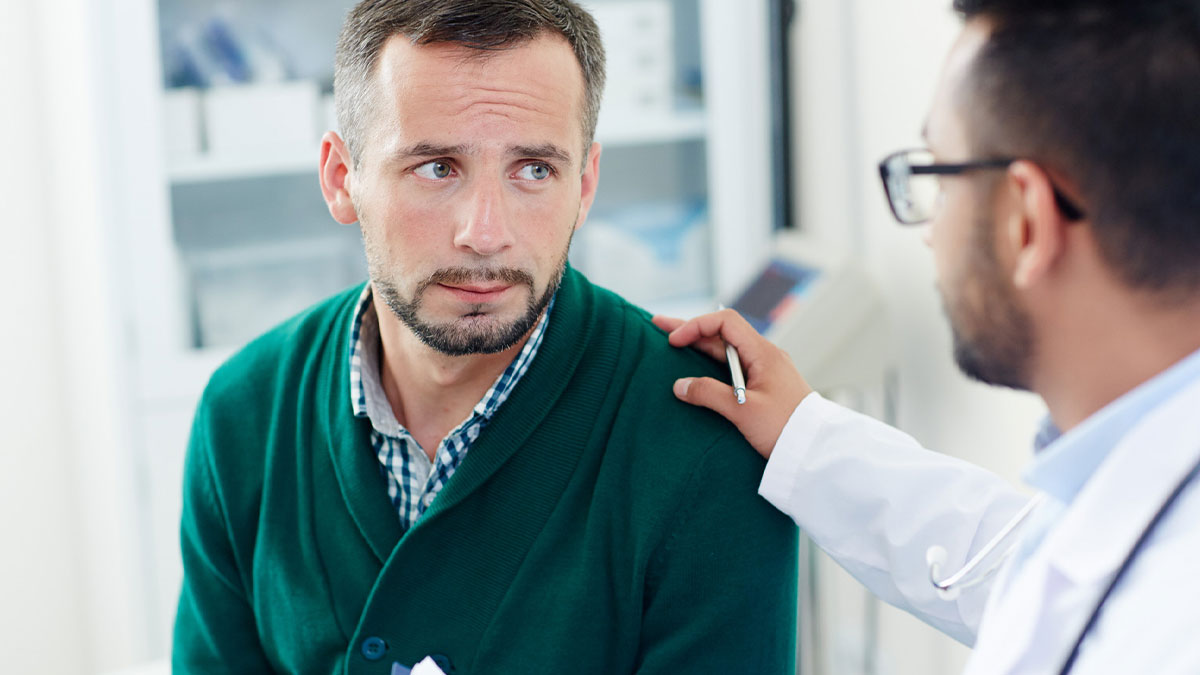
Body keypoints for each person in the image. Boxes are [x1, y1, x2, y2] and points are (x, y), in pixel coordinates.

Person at [171, 1, 798, 673]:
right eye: (437, 167)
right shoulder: (245, 414)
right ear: (340, 177)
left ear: (584, 186)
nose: (485, 231)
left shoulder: (704, 449)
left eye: (533, 169)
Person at [655, 0, 1200, 673]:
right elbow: (1010, 561)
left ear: (1024, 220)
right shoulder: (1138, 485)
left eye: (936, 175)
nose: (930, 230)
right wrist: (803, 431)